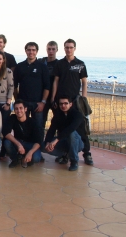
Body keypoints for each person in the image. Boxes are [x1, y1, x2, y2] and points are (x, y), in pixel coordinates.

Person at [50, 38, 93, 166]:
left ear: (74, 48)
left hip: (75, 101)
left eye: (71, 47)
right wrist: (53, 98)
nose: (69, 49)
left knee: (81, 128)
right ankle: (65, 153)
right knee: (62, 127)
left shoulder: (80, 64)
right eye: (66, 47)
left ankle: (87, 153)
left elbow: (84, 82)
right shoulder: (60, 64)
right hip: (61, 101)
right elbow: (56, 81)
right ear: (64, 48)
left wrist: (83, 99)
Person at [42, 96, 84, 171]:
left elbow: (70, 129)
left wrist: (56, 140)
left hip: (78, 143)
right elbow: (51, 130)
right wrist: (48, 142)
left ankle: (74, 161)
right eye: (61, 104)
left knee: (71, 134)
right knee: (42, 146)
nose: (63, 106)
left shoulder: (77, 115)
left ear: (70, 104)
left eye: (65, 103)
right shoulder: (58, 116)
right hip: (64, 141)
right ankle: (64, 155)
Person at [13, 42, 50, 127]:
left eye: (33, 50)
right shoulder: (19, 66)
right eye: (29, 50)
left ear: (37, 51)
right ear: (25, 51)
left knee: (38, 126)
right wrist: (17, 100)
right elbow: (14, 86)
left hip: (38, 104)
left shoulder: (42, 67)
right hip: (23, 102)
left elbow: (47, 86)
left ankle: (38, 141)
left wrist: (43, 102)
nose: (31, 52)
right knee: (22, 126)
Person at [4, 100, 43, 168]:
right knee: (7, 142)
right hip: (19, 142)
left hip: (31, 145)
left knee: (36, 158)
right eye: (16, 109)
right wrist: (18, 145)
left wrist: (30, 152)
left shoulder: (33, 122)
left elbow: (39, 141)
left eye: (21, 108)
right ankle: (15, 159)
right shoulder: (12, 118)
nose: (19, 111)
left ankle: (26, 157)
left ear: (25, 109)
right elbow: (5, 132)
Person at [41, 41, 59, 128]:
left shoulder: (59, 64)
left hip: (55, 97)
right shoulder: (41, 62)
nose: (51, 51)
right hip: (42, 97)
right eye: (49, 49)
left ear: (57, 50)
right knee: (41, 121)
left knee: (58, 121)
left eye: (53, 49)